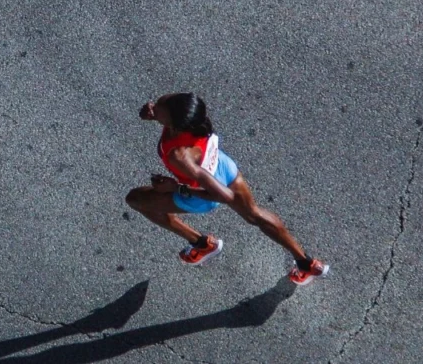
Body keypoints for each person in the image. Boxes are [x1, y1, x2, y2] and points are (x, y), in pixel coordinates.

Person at [126, 92, 329, 285]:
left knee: (136, 200)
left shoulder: (180, 156)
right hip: (223, 167)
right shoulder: (194, 118)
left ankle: (202, 245)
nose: (152, 106)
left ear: (175, 123)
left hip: (203, 193)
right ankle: (306, 263)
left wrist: (176, 188)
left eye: (158, 108)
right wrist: (157, 117)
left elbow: (224, 196)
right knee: (255, 214)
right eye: (157, 103)